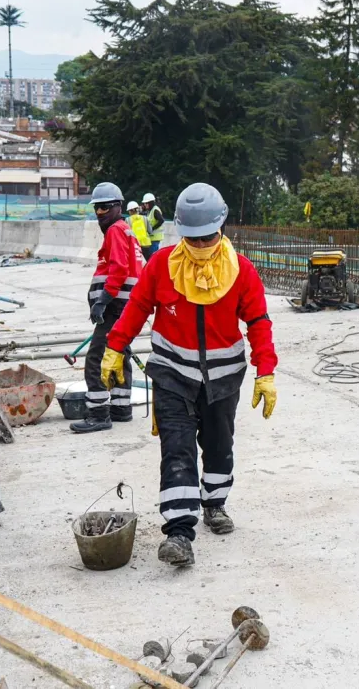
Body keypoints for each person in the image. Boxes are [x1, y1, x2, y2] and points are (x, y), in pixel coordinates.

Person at [102, 183, 277, 567]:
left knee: (218, 445)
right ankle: (180, 532)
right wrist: (114, 348)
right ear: (181, 232)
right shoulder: (161, 265)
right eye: (192, 238)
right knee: (177, 448)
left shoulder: (241, 270)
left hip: (223, 378)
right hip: (171, 374)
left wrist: (266, 370)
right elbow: (136, 309)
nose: (200, 245)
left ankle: (214, 503)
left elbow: (259, 322)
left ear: (221, 228)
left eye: (207, 237)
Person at [71, 183, 145, 433]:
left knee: (96, 358)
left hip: (114, 306)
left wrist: (102, 301)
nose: (100, 212)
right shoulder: (127, 231)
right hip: (124, 306)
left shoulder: (115, 231)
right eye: (97, 208)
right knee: (119, 353)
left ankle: (99, 413)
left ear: (118, 207)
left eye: (105, 207)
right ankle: (121, 408)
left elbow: (119, 270)